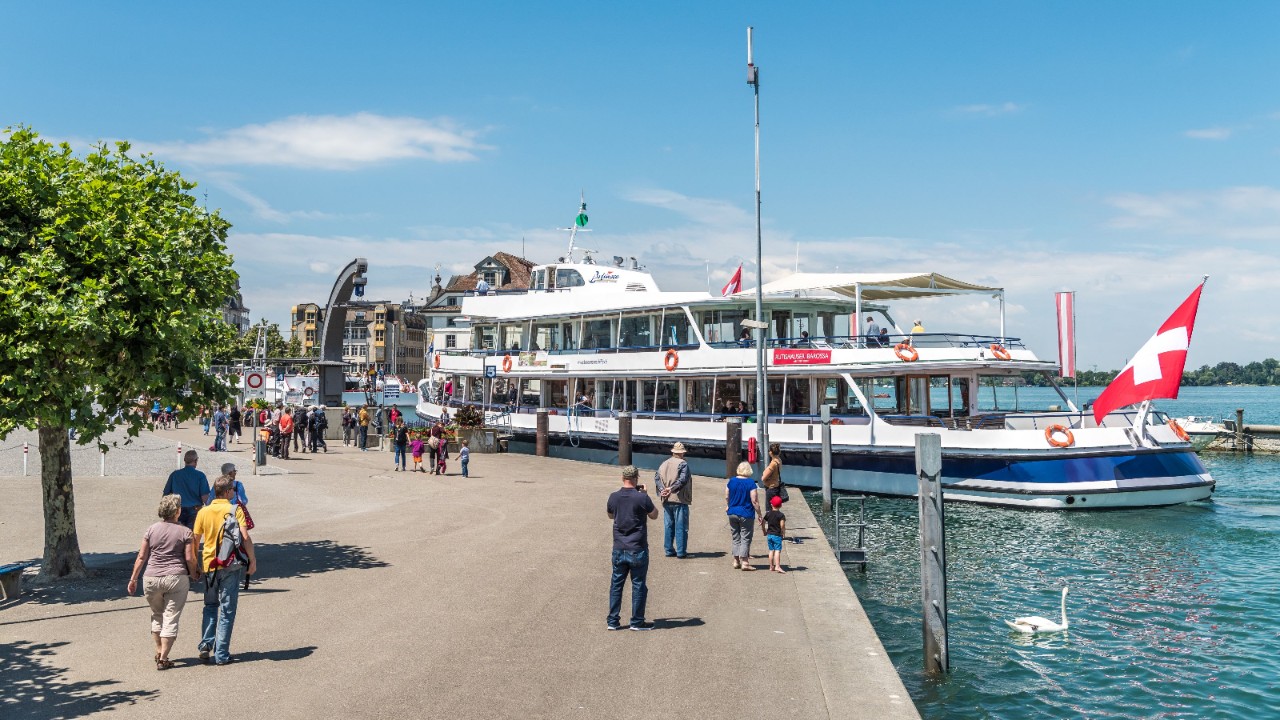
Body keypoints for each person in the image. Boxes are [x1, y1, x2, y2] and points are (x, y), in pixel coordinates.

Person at [127, 494, 200, 670]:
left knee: (157, 614)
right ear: (177, 511)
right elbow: (189, 558)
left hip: (151, 578)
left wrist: (133, 578)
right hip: (176, 578)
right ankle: (163, 658)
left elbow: (142, 556)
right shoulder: (185, 532)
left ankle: (159, 650)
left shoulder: (151, 529)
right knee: (171, 617)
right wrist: (194, 573)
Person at [192, 475, 257, 666]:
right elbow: (245, 537)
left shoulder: (203, 512)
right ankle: (221, 654)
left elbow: (195, 541)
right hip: (230, 564)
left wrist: (195, 565)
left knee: (210, 606)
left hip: (209, 563)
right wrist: (252, 560)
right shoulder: (235, 509)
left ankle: (205, 644)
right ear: (228, 492)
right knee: (227, 609)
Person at [606, 465, 658, 631]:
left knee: (616, 584)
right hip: (637, 547)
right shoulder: (641, 498)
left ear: (623, 478)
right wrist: (645, 495)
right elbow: (654, 514)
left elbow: (610, 515)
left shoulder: (614, 497)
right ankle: (637, 621)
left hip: (619, 546)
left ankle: (613, 621)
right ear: (636, 478)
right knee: (638, 584)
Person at [654, 441, 692, 559]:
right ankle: (681, 551)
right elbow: (682, 480)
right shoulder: (683, 464)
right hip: (679, 499)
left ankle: (669, 549)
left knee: (668, 525)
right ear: (682, 453)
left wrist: (662, 490)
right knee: (681, 527)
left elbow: (657, 478)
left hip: (666, 499)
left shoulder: (664, 463)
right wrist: (671, 489)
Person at [725, 461, 762, 570]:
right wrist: (759, 514)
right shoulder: (751, 483)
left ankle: (736, 561)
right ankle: (745, 562)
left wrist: (728, 505)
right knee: (745, 537)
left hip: (732, 512)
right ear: (749, 470)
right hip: (746, 513)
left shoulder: (731, 481)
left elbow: (727, 496)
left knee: (736, 537)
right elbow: (754, 501)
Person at [162, 450, 210, 529]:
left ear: (184, 460)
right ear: (195, 461)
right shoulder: (200, 476)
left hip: (177, 509)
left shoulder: (174, 475)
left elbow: (166, 494)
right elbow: (205, 497)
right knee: (191, 536)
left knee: (178, 534)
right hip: (195, 509)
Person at [763, 495, 787, 573]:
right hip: (777, 535)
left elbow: (763, 522)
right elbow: (782, 525)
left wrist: (764, 531)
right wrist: (783, 532)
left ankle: (771, 566)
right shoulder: (781, 515)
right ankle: (777, 566)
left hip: (769, 535)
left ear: (771, 504)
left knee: (771, 550)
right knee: (777, 550)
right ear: (781, 505)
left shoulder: (768, 514)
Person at [760, 443, 786, 508]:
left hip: (771, 488)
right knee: (775, 507)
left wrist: (764, 473)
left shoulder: (773, 464)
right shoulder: (779, 460)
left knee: (769, 508)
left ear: (771, 452)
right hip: (776, 486)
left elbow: (763, 478)